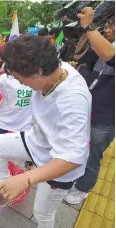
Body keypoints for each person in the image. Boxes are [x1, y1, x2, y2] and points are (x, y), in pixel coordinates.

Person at [0, 35, 91, 228]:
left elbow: (73, 157)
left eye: (20, 78)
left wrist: (26, 179)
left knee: (42, 214)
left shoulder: (72, 100)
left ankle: (18, 184)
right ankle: (6, 184)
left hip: (60, 164)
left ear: (38, 71)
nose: (20, 83)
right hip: (39, 142)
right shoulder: (56, 70)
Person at [64, 9, 115, 205]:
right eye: (107, 25)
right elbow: (78, 55)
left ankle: (83, 188)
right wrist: (87, 35)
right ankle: (75, 176)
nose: (108, 29)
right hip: (88, 107)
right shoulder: (104, 44)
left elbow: (110, 56)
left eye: (111, 26)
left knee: (93, 153)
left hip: (106, 116)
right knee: (80, 146)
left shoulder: (109, 49)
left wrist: (89, 26)